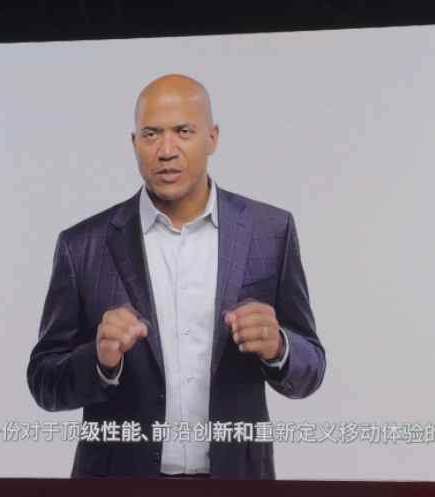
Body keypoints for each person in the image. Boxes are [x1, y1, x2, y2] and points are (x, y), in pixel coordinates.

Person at [27, 74, 325, 479]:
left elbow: (312, 368)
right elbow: (44, 381)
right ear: (134, 143)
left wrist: (279, 347)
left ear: (212, 138)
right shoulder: (82, 245)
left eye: (183, 131)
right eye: (151, 134)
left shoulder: (270, 231)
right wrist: (98, 360)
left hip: (237, 479)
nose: (167, 151)